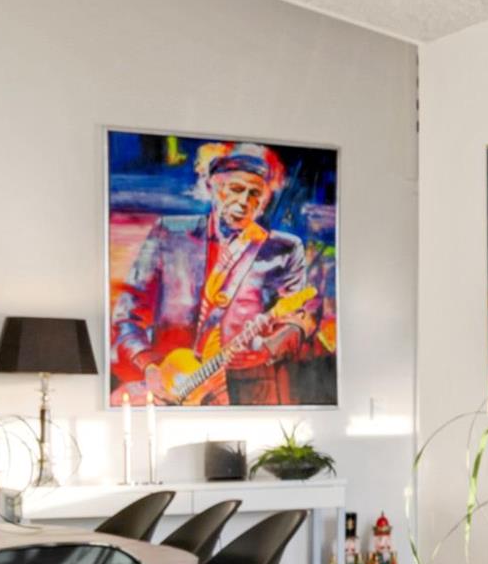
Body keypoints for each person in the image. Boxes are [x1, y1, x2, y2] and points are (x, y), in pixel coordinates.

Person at [113, 141, 333, 406]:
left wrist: (269, 348)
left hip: (251, 393)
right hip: (174, 389)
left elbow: (300, 320)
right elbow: (127, 314)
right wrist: (149, 366)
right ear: (212, 187)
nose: (245, 201)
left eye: (255, 193)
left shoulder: (285, 248)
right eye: (236, 189)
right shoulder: (169, 232)